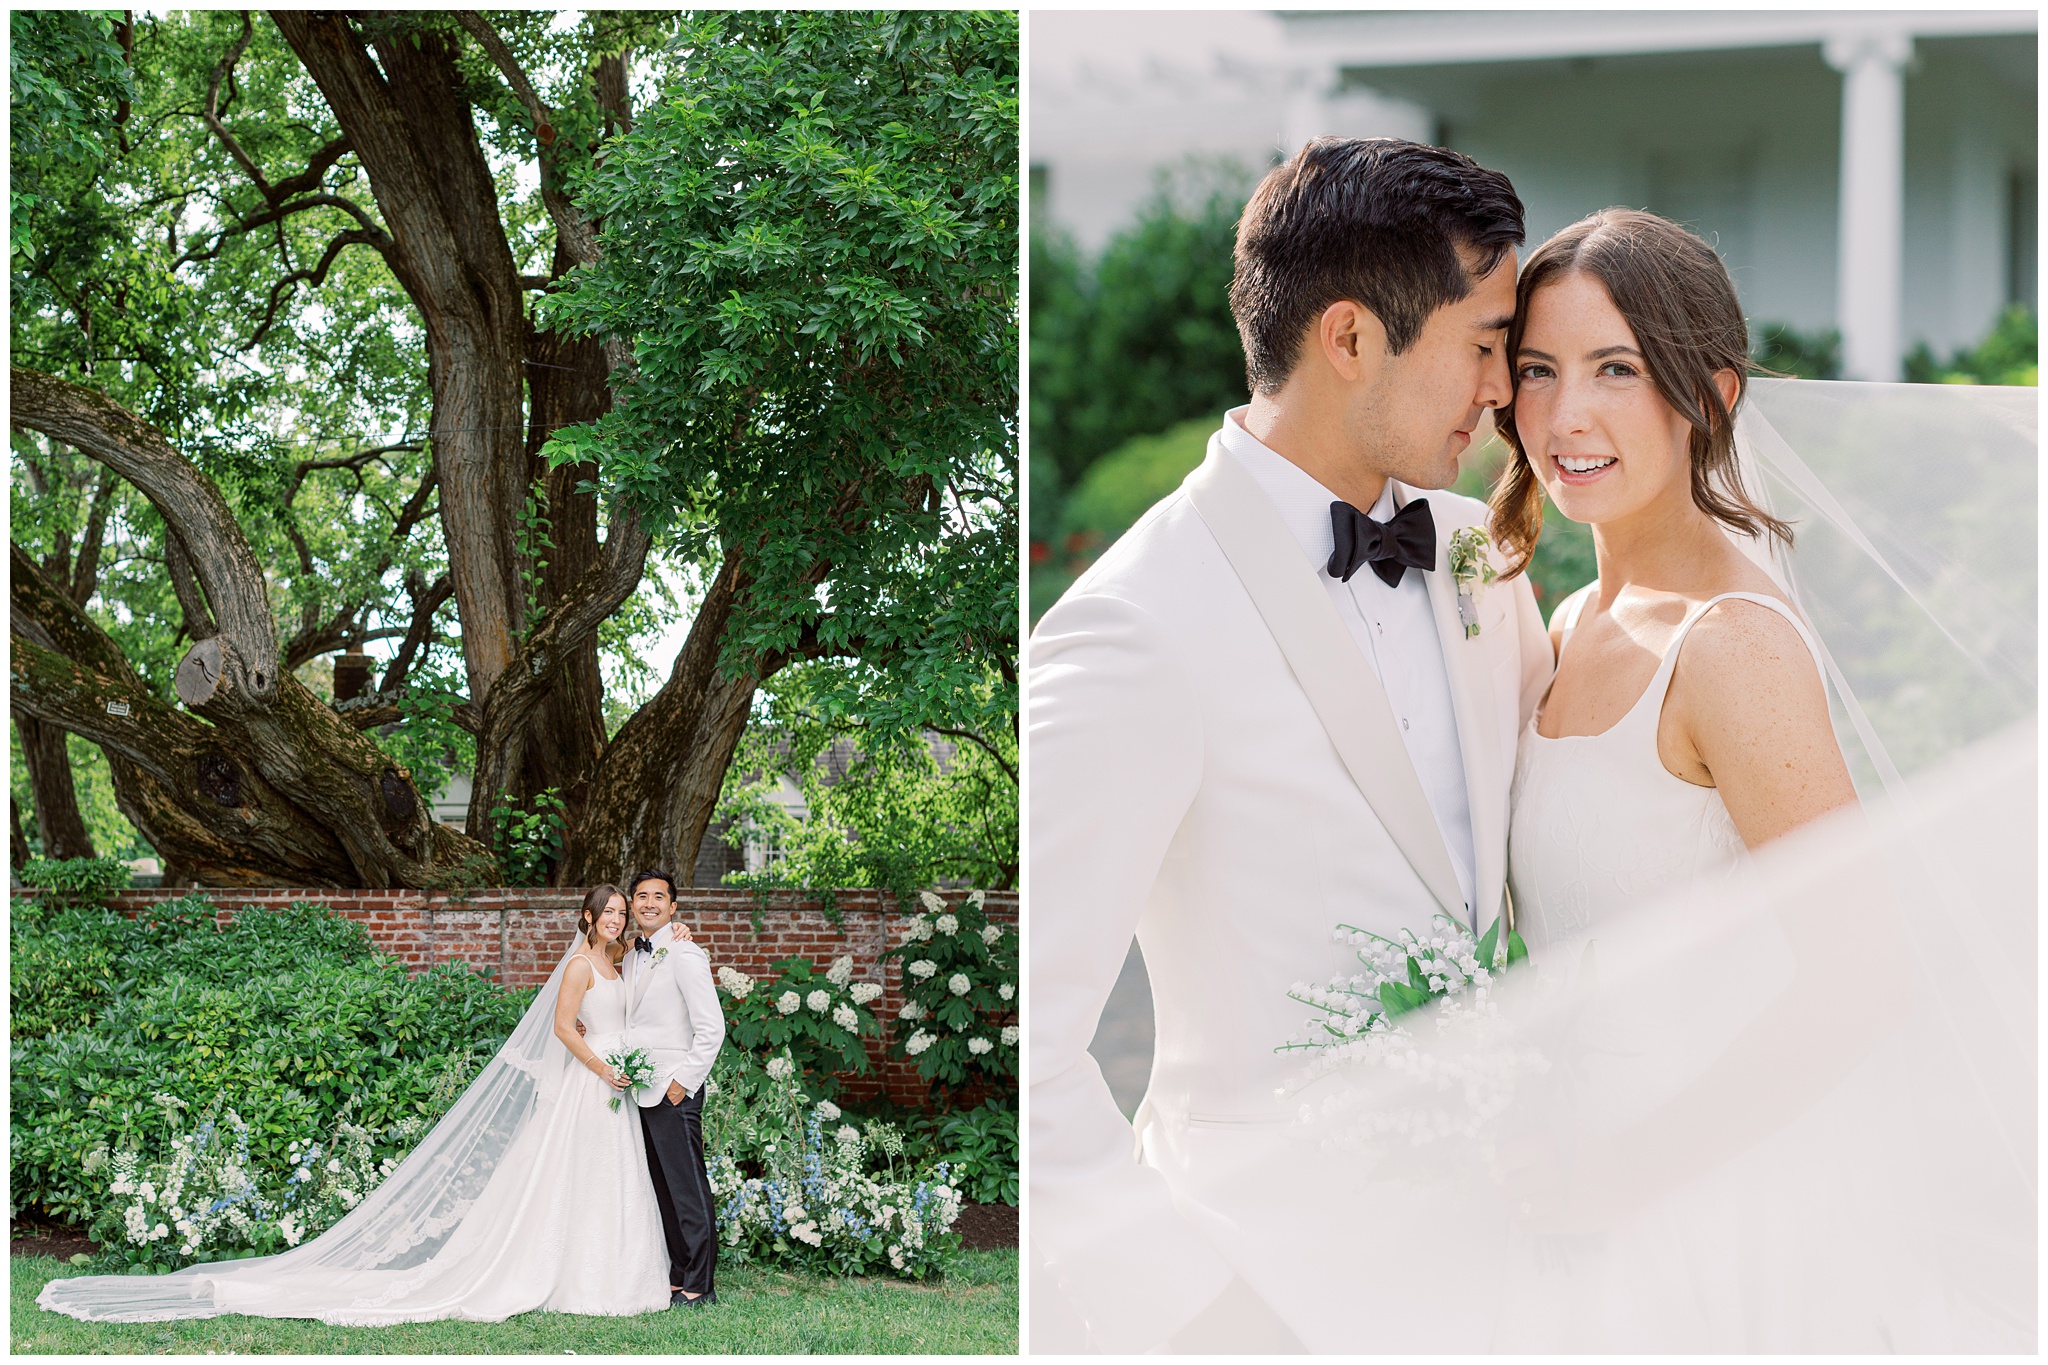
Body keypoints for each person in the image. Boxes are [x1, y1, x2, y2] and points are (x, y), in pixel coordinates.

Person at [1028, 136, 1551, 1354]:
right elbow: (1031, 1046)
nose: (1502, 391)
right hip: (1264, 1290)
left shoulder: (1480, 553)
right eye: (1483, 345)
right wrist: (1199, 1313)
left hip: (1498, 1279)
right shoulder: (1132, 625)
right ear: (1352, 338)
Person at [37, 886, 673, 1323]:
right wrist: (602, 1067)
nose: (618, 919)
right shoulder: (577, 969)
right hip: (594, 1083)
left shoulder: (620, 959)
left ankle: (610, 1275)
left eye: (623, 911)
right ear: (587, 917)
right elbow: (565, 1029)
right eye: (609, 911)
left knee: (606, 1181)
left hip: (611, 1088)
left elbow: (648, 973)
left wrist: (669, 939)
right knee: (563, 1182)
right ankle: (558, 1274)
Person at [620, 869, 726, 1307]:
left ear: (673, 907)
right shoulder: (627, 955)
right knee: (662, 1188)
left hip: (673, 1089)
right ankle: (678, 1273)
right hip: (639, 1090)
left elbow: (711, 1028)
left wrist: (682, 1084)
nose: (649, 903)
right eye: (641, 896)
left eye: (658, 897)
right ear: (631, 903)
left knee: (688, 1188)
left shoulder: (685, 953)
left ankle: (700, 1284)